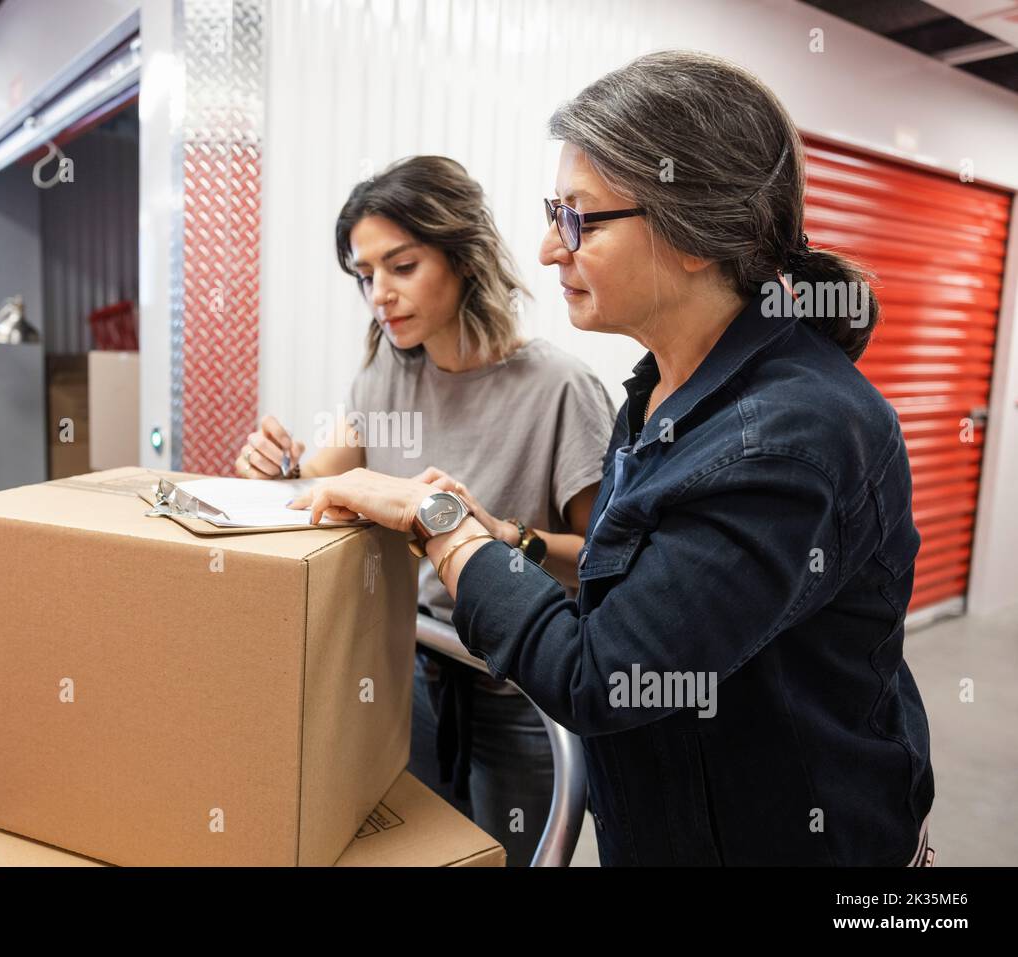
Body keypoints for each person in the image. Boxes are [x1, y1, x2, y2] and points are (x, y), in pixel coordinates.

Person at [293, 51, 935, 866]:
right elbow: (633, 582)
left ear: (692, 230)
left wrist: (446, 526)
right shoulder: (660, 390)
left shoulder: (785, 435)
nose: (550, 248)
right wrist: (502, 540)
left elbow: (599, 673)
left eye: (578, 220)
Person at [235, 156, 614, 865]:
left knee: (506, 853)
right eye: (364, 274)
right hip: (409, 666)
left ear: (463, 255)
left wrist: (504, 536)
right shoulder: (385, 371)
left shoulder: (560, 388)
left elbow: (604, 558)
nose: (379, 293)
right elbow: (323, 472)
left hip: (517, 689)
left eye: (401, 266)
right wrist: (278, 462)